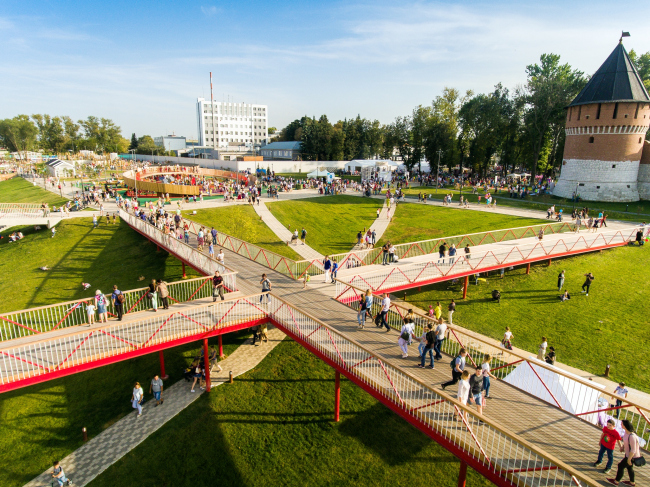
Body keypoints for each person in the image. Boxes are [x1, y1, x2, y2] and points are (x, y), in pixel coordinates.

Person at [607, 419, 642, 486]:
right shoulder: (626, 433)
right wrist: (622, 447)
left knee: (620, 466)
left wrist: (629, 459)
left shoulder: (632, 436)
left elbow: (633, 450)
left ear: (625, 426)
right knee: (629, 468)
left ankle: (616, 481)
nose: (621, 425)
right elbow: (626, 441)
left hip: (632, 456)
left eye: (622, 424)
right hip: (628, 454)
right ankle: (632, 482)